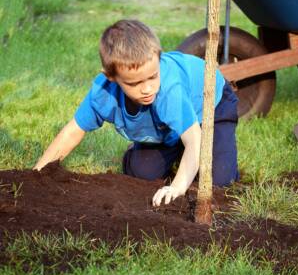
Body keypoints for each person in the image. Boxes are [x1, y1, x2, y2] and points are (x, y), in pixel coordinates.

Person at [34, 19, 239, 206]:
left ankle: (187, 146)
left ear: (158, 61)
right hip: (166, 127)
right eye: (135, 83)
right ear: (111, 77)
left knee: (219, 179)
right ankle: (173, 145)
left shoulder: (169, 90)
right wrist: (36, 175)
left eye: (152, 77)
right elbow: (73, 131)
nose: (147, 89)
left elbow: (195, 139)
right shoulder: (103, 92)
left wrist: (176, 188)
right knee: (142, 173)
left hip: (210, 105)